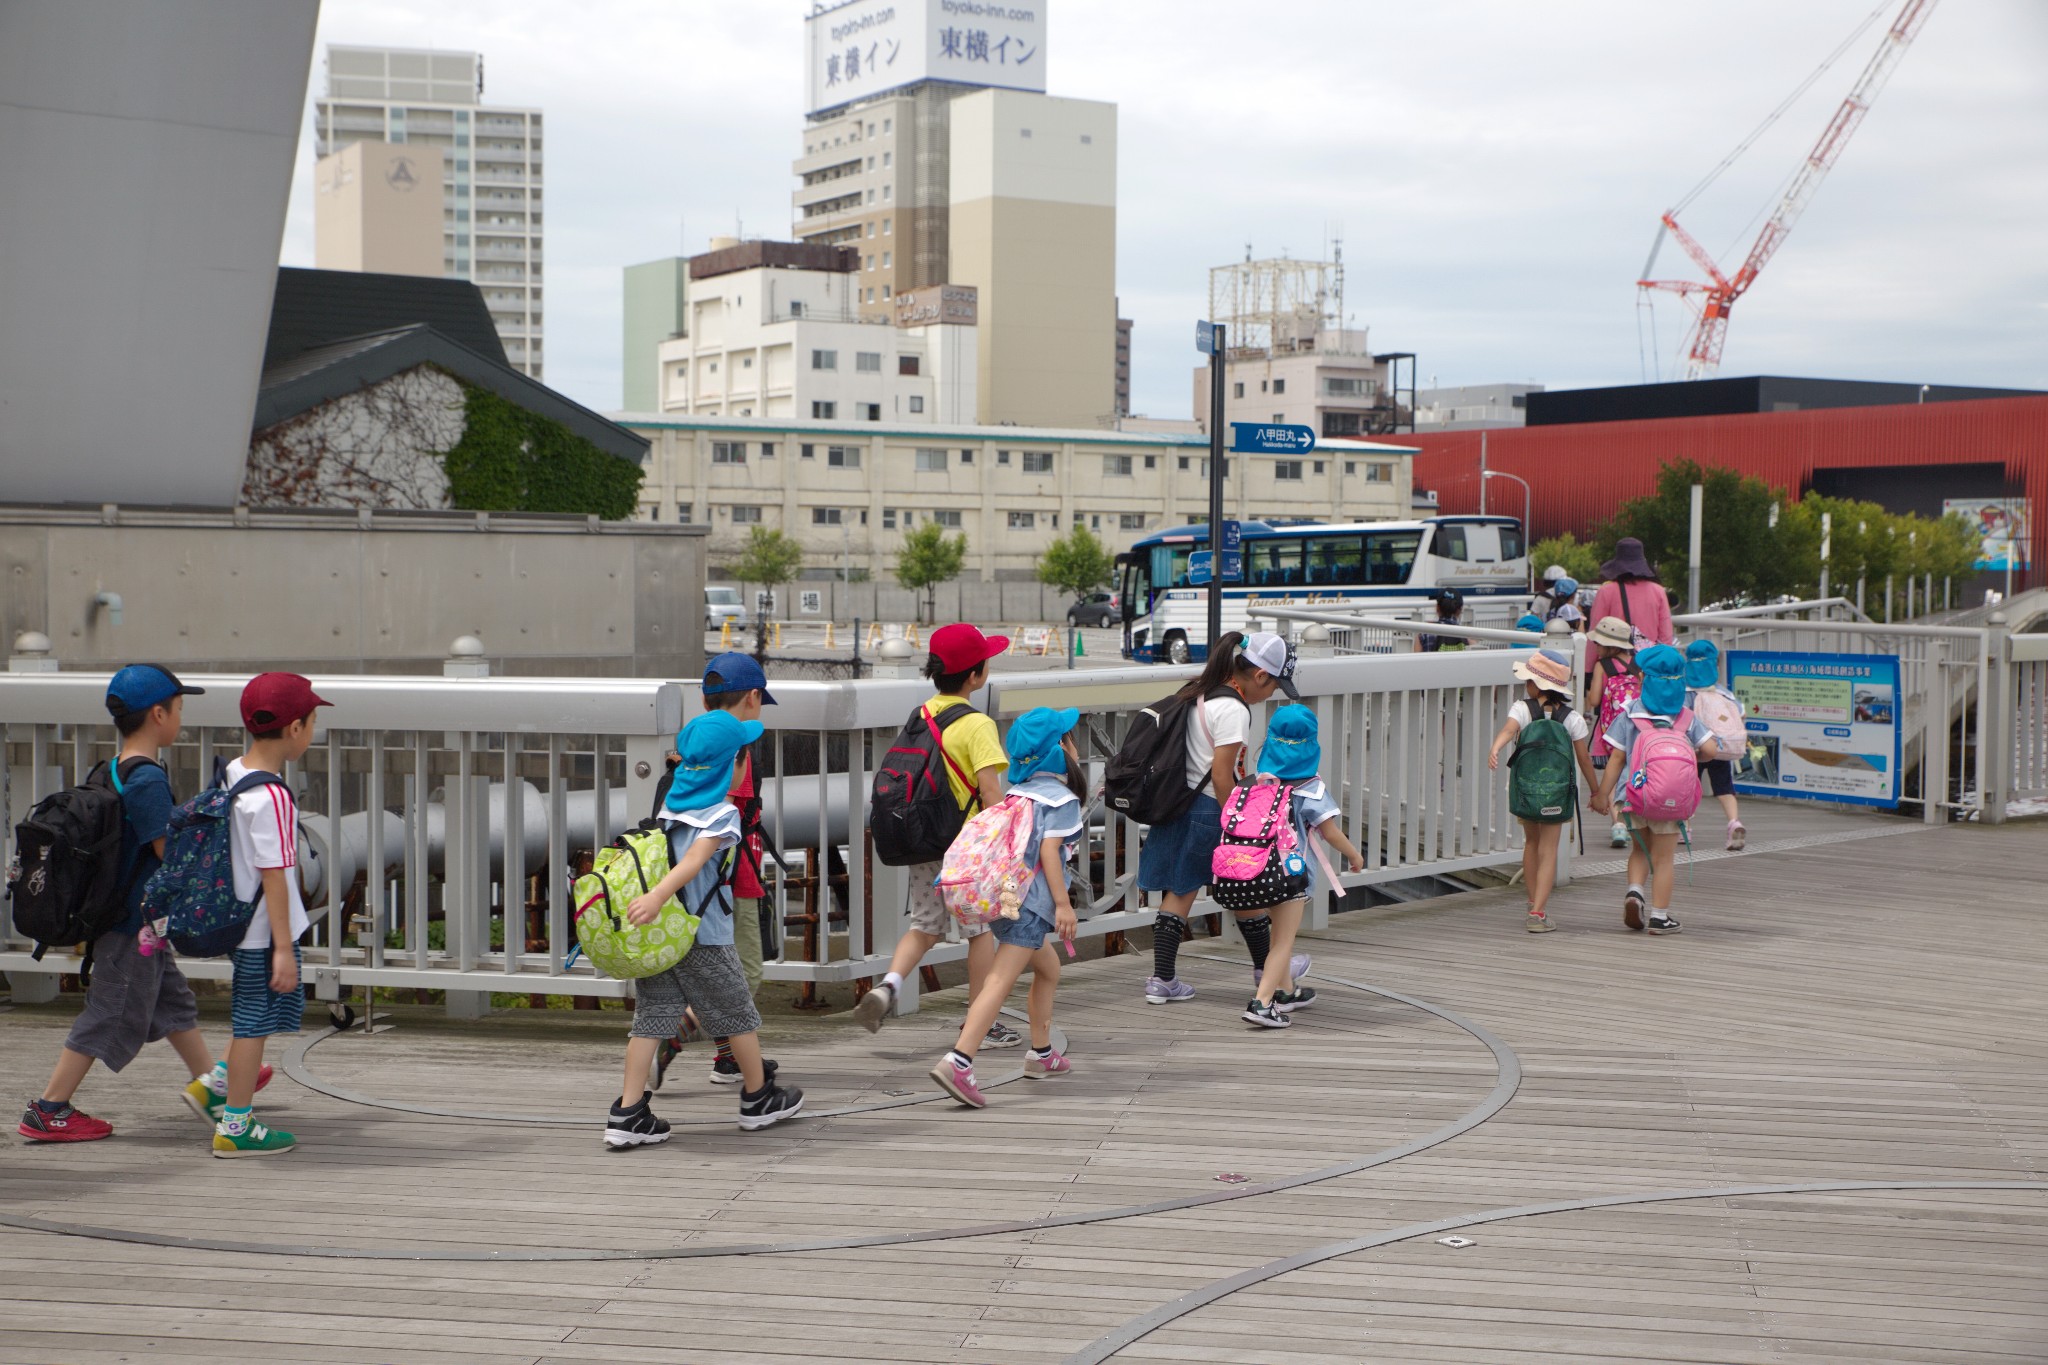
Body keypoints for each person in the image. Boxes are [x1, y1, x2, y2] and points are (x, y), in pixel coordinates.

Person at [18, 665, 278, 1143]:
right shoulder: (148, 780)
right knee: (110, 1011)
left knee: (172, 1002)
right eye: (179, 709)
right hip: (130, 923)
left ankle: (211, 1086)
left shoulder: (113, 767)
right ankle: (48, 1109)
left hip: (129, 920)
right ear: (159, 714)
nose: (180, 717)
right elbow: (167, 853)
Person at [611, 709, 804, 1146]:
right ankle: (758, 1098)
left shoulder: (668, 808)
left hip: (661, 937)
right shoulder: (721, 815)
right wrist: (660, 895)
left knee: (650, 1021)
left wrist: (656, 902)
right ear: (730, 765)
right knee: (738, 1015)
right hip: (704, 937)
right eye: (743, 757)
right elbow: (697, 861)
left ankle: (627, 1112)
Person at [853, 623, 1022, 1046]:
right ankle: (978, 1020)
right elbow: (990, 792)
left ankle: (888, 984)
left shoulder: (923, 713)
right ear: (974, 675)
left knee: (925, 925)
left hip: (924, 839)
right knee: (978, 930)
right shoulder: (977, 724)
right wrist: (1005, 846)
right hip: (965, 850)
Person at [1137, 630, 1310, 1004]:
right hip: (1209, 809)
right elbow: (1221, 774)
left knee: (1180, 891)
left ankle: (1162, 979)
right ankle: (1269, 972)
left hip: (1178, 803)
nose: (1273, 694)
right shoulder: (1233, 709)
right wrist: (1237, 824)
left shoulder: (1200, 691)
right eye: (1275, 685)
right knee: (1246, 884)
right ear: (1261, 675)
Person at [928, 707, 1082, 1107]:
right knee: (999, 981)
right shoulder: (1061, 799)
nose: (1074, 744)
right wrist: (1064, 905)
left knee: (1047, 969)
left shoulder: (1019, 795)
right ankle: (959, 1061)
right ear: (1059, 750)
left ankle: (1042, 1053)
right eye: (1069, 738)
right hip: (1030, 906)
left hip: (1006, 898)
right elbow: (1050, 851)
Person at [213, 672, 330, 1157]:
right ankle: (235, 1127)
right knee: (252, 1025)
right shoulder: (274, 797)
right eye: (312, 722)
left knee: (251, 1019)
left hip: (238, 922)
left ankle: (216, 1087)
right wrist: (284, 948)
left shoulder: (234, 773)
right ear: (296, 728)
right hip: (261, 932)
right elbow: (275, 876)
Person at [653, 652, 778, 1091]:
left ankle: (728, 1058)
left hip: (690, 892)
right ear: (753, 697)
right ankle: (679, 1038)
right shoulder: (735, 752)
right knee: (744, 973)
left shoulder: (693, 747)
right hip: (726, 885)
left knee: (714, 974)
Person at [1238, 706, 1363, 1028]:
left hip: (1255, 871)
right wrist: (1355, 856)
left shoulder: (1255, 784)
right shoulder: (1311, 789)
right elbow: (1330, 832)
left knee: (1278, 935)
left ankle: (1287, 992)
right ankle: (1261, 1003)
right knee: (1282, 943)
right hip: (1291, 878)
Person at [1590, 645, 1721, 937]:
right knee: (1663, 859)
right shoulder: (1686, 717)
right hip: (1672, 800)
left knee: (1640, 850)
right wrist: (1689, 753)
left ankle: (1635, 893)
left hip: (1635, 795)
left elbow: (1616, 759)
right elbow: (1711, 750)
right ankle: (1660, 917)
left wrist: (1601, 795)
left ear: (1644, 679)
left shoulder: (1631, 713)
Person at [1488, 647, 1598, 933]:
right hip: (1557, 794)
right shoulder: (1572, 718)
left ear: (1536, 684)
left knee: (1531, 844)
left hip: (1525, 790)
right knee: (1549, 850)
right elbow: (1584, 759)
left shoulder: (1522, 708)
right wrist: (1596, 791)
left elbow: (1509, 730)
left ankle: (1530, 900)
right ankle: (1538, 912)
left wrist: (1496, 748)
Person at [1584, 615, 1641, 850]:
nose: (1595, 646)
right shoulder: (1639, 663)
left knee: (1612, 772)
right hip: (1637, 726)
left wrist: (1587, 697)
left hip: (1611, 730)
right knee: (1633, 771)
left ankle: (1618, 824)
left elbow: (1595, 698)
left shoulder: (1602, 666)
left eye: (1598, 643)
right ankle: (1635, 818)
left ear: (1608, 645)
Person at [1685, 639, 1747, 851]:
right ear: (1714, 666)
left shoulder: (1685, 692)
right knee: (1724, 787)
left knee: (1688, 786)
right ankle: (1733, 822)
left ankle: (1685, 827)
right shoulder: (1723, 693)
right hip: (1720, 748)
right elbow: (1741, 714)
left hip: (1694, 748)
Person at [1589, 537, 1675, 647]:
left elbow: (1596, 636)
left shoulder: (1606, 591)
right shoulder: (1658, 591)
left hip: (1614, 661)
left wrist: (1590, 664)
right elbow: (1666, 638)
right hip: (1647, 661)